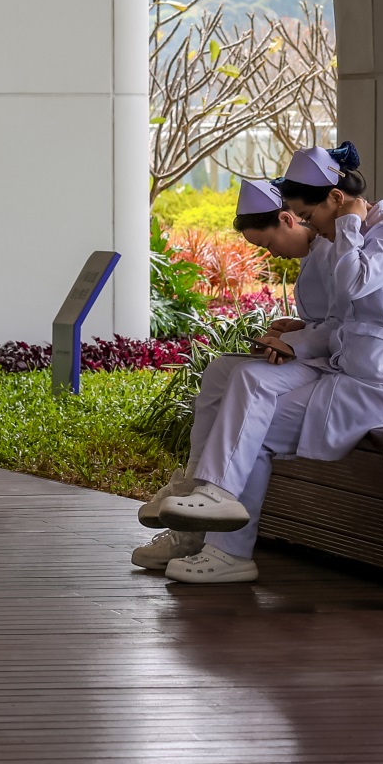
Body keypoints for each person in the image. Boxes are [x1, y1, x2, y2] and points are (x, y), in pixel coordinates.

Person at [147, 142, 383, 584]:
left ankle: (213, 515)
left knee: (250, 396)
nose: (310, 226)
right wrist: (297, 336)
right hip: (347, 379)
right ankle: (222, 540)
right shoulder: (345, 240)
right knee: (247, 416)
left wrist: (350, 222)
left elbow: (354, 286)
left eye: (311, 215)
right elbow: (343, 326)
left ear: (336, 200)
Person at [131, 178, 333, 573]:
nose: (272, 253)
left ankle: (217, 529)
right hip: (313, 356)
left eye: (269, 245)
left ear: (289, 219)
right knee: (222, 369)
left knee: (248, 388)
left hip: (332, 367)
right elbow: (326, 322)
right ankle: (193, 490)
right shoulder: (313, 253)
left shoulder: (336, 252)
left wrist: (300, 342)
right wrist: (293, 330)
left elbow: (350, 327)